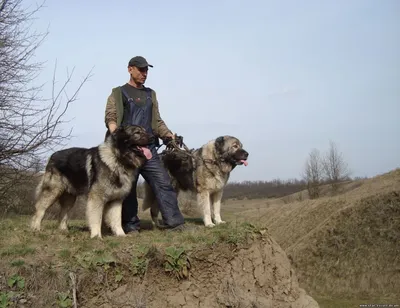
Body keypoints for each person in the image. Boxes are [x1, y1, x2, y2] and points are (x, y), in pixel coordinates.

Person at [104, 56, 185, 233]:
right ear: (130, 69)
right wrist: (114, 132)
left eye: (146, 70)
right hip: (127, 151)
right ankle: (130, 226)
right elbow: (111, 116)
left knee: (163, 182)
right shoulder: (118, 93)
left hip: (148, 148)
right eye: (141, 70)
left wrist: (169, 135)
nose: (144, 73)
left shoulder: (150, 94)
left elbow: (156, 120)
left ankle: (175, 222)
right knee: (128, 189)